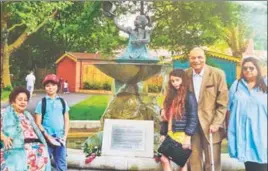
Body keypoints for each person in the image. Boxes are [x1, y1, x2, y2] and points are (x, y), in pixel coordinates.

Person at [185, 47, 228, 171]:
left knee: (212, 161)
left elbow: (223, 103)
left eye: (200, 57)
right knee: (194, 162)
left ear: (205, 58)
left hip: (211, 125)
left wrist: (216, 123)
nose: (196, 60)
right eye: (193, 57)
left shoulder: (217, 74)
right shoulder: (185, 74)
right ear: (189, 59)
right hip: (191, 125)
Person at [227, 57, 267, 171]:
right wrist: (227, 130)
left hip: (262, 134)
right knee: (249, 166)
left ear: (258, 69)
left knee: (263, 164)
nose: (248, 70)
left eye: (251, 68)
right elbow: (229, 108)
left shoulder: (265, 84)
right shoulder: (237, 85)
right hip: (243, 135)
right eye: (245, 68)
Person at [0, 87, 51, 171]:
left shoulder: (27, 115)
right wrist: (3, 137)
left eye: (25, 100)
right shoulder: (4, 113)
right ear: (13, 101)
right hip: (15, 152)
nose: (23, 102)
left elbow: (37, 133)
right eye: (20, 99)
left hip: (37, 153)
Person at [160, 69, 198, 171]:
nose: (174, 83)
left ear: (183, 80)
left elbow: (193, 117)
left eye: (177, 80)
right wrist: (163, 133)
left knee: (182, 163)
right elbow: (164, 118)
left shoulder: (189, 96)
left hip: (182, 134)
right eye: (172, 81)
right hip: (170, 132)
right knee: (164, 159)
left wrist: (188, 137)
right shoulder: (170, 96)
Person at [34, 74, 70, 171]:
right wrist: (47, 136)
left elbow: (66, 120)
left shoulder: (62, 101)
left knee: (62, 165)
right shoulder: (42, 103)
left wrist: (65, 136)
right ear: (45, 88)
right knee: (44, 165)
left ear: (57, 86)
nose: (50, 88)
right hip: (46, 139)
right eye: (48, 86)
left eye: (53, 85)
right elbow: (38, 123)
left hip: (60, 139)